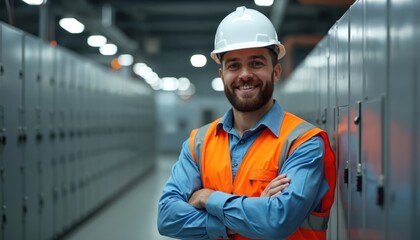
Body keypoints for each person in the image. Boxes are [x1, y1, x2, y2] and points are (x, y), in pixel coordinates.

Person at [157, 6, 336, 240]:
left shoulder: (303, 142)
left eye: (256, 63)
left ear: (276, 71)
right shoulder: (198, 143)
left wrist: (208, 198)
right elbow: (167, 217)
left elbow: (276, 221)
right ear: (222, 75)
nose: (244, 74)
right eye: (233, 65)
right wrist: (249, 215)